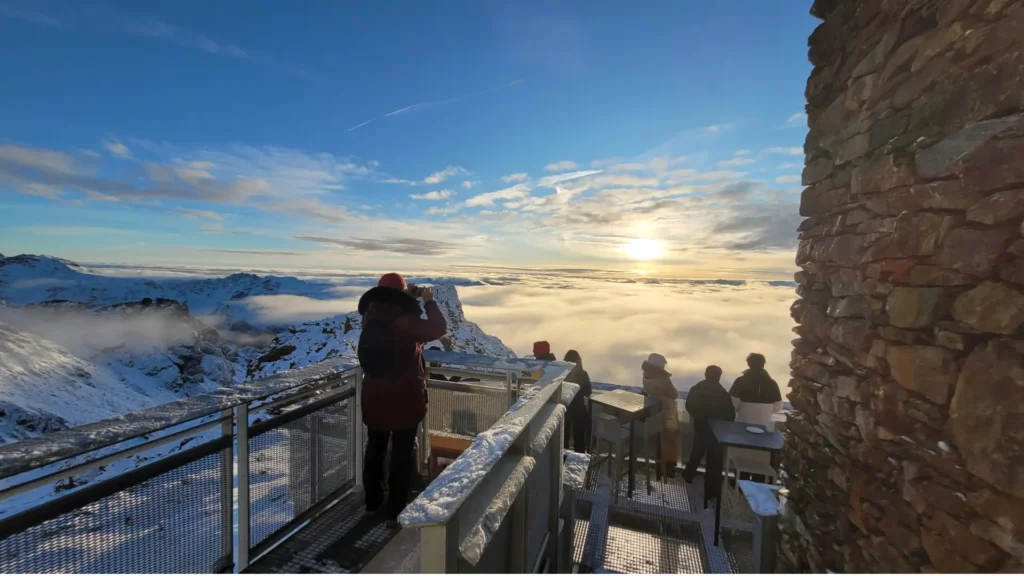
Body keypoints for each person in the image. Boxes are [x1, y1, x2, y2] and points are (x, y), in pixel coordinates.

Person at [357, 272, 448, 523]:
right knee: (402, 452)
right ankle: (396, 510)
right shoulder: (405, 320)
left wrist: (407, 298)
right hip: (404, 398)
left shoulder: (370, 315)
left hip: (375, 397)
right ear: (400, 293)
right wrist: (428, 301)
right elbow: (438, 328)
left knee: (375, 448)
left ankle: (372, 503)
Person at [682, 366, 736, 484]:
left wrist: (699, 416)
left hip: (700, 426)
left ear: (706, 374)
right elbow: (731, 415)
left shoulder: (697, 388)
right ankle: (712, 482)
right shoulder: (723, 393)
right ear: (719, 377)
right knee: (715, 458)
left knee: (696, 452)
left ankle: (688, 475)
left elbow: (689, 406)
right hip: (717, 430)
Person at [640, 353, 680, 477]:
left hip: (653, 410)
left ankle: (658, 467)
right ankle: (668, 469)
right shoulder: (663, 379)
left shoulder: (645, 375)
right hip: (667, 413)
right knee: (670, 440)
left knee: (658, 440)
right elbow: (674, 394)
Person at [729, 353, 783, 428]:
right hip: (765, 425)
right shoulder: (772, 383)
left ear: (748, 364)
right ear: (763, 364)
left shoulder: (740, 381)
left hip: (742, 424)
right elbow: (778, 406)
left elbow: (732, 404)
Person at [562, 350, 592, 453]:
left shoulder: (563, 374)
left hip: (565, 409)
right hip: (579, 410)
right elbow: (588, 392)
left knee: (563, 440)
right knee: (580, 440)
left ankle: (563, 458)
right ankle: (579, 457)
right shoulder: (583, 374)